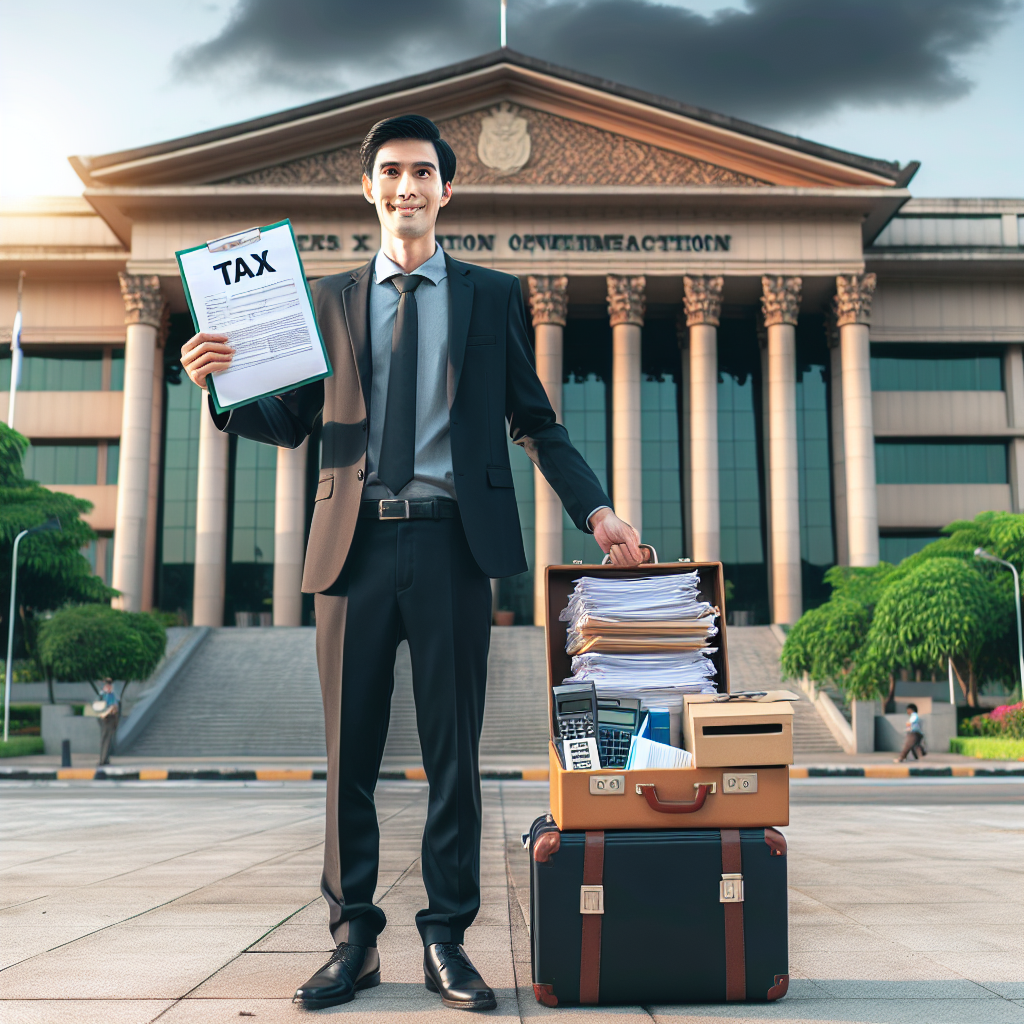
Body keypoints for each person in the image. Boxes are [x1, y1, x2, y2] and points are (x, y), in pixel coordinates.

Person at [180, 113, 641, 1012]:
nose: (407, 186)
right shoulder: (328, 300)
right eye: (390, 171)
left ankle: (446, 939)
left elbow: (536, 423)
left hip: (453, 544)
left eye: (422, 172)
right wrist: (220, 388)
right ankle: (352, 938)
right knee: (348, 755)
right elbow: (293, 423)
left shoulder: (491, 297)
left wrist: (597, 509)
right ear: (369, 189)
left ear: (446, 189)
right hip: (351, 547)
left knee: (452, 754)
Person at [96, 679, 119, 766]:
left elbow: (115, 706)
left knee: (108, 740)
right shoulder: (102, 695)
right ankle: (103, 759)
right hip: (105, 719)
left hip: (111, 718)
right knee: (105, 739)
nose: (109, 687)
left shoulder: (112, 695)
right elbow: (97, 706)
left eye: (110, 686)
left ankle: (105, 759)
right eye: (107, 686)